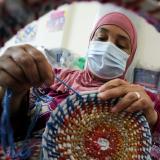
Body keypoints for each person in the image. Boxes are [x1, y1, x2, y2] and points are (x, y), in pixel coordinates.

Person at [0, 12, 159, 159]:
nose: (108, 47)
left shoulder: (142, 101)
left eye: (120, 45)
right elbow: (12, 126)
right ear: (90, 42)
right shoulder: (52, 77)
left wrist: (151, 124)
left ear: (131, 55)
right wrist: (14, 91)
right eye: (101, 38)